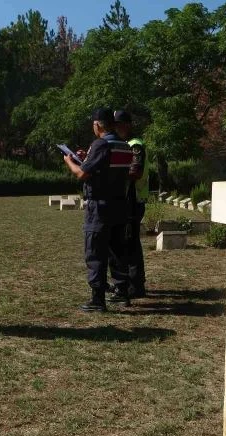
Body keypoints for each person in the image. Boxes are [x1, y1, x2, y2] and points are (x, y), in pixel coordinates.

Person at [63, 108, 133, 312]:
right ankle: (122, 292)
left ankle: (97, 298)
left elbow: (82, 174)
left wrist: (70, 162)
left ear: (98, 124)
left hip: (100, 206)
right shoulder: (124, 145)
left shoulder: (101, 144)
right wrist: (87, 158)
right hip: (120, 204)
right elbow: (109, 167)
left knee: (96, 251)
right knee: (118, 251)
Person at [110, 109, 148, 299]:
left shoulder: (135, 145)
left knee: (131, 243)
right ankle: (129, 282)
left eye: (118, 124)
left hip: (134, 200)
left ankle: (136, 285)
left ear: (127, 125)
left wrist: (114, 175)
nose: (116, 128)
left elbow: (136, 172)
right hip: (127, 199)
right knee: (127, 242)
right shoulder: (123, 144)